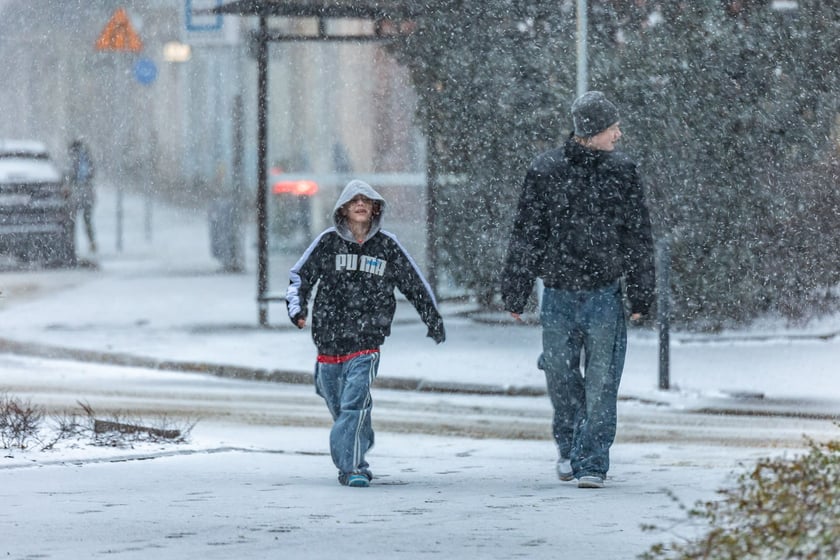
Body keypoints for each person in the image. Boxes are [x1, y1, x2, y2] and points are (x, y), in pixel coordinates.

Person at [501, 91, 655, 489]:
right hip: (558, 292)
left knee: (601, 383)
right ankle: (570, 447)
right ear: (592, 131)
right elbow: (528, 233)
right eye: (613, 128)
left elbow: (637, 237)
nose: (618, 134)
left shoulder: (622, 172)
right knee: (560, 376)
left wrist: (641, 292)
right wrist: (516, 288)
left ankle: (592, 461)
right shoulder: (546, 170)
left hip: (604, 293)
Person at [286, 179, 446, 488]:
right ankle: (360, 442)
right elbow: (299, 278)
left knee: (353, 405)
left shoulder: (387, 246)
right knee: (342, 408)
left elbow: (414, 282)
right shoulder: (327, 242)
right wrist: (298, 310)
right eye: (354, 200)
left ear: (375, 209)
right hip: (329, 341)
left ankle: (351, 468)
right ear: (343, 209)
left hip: (367, 341)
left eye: (366, 200)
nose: (360, 204)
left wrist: (432, 319)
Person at [67, 139, 96, 253]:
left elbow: (71, 175)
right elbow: (91, 173)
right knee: (86, 219)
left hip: (78, 192)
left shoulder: (75, 159)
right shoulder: (87, 158)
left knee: (72, 220)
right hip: (87, 192)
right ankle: (91, 242)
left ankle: (72, 244)